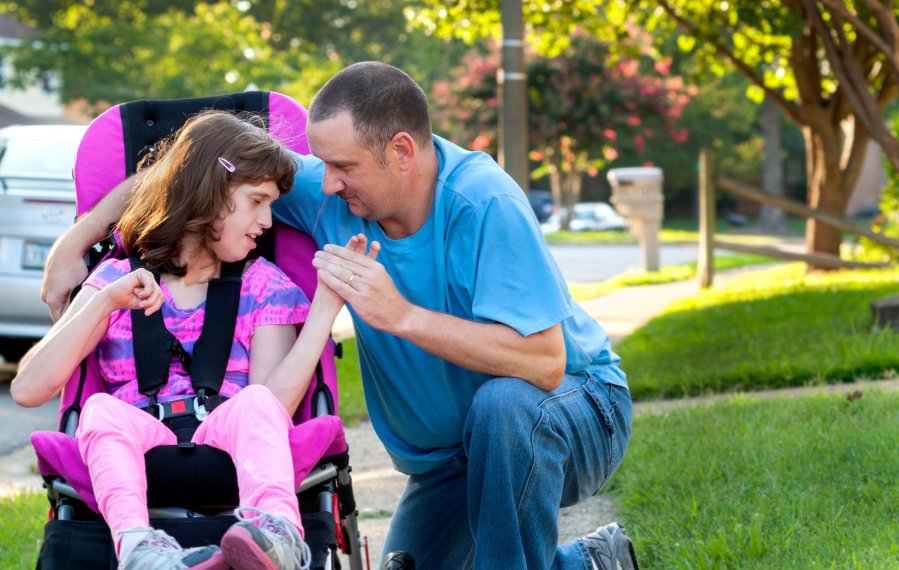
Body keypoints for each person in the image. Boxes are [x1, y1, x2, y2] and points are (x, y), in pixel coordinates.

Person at [40, 63, 637, 570]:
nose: (324, 182)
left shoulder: (484, 203)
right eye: (321, 163)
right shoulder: (332, 194)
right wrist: (75, 244)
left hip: (572, 409)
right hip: (455, 459)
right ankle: (587, 562)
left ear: (401, 151)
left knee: (503, 406)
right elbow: (180, 178)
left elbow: (544, 362)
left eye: (342, 166)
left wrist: (401, 316)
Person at [14, 110, 379, 570]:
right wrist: (103, 302)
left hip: (228, 429)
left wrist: (324, 309)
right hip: (138, 433)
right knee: (100, 409)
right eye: (257, 201)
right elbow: (28, 390)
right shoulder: (113, 281)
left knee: (256, 402)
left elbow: (273, 408)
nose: (268, 221)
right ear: (213, 193)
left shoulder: (265, 286)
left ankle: (276, 535)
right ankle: (141, 550)